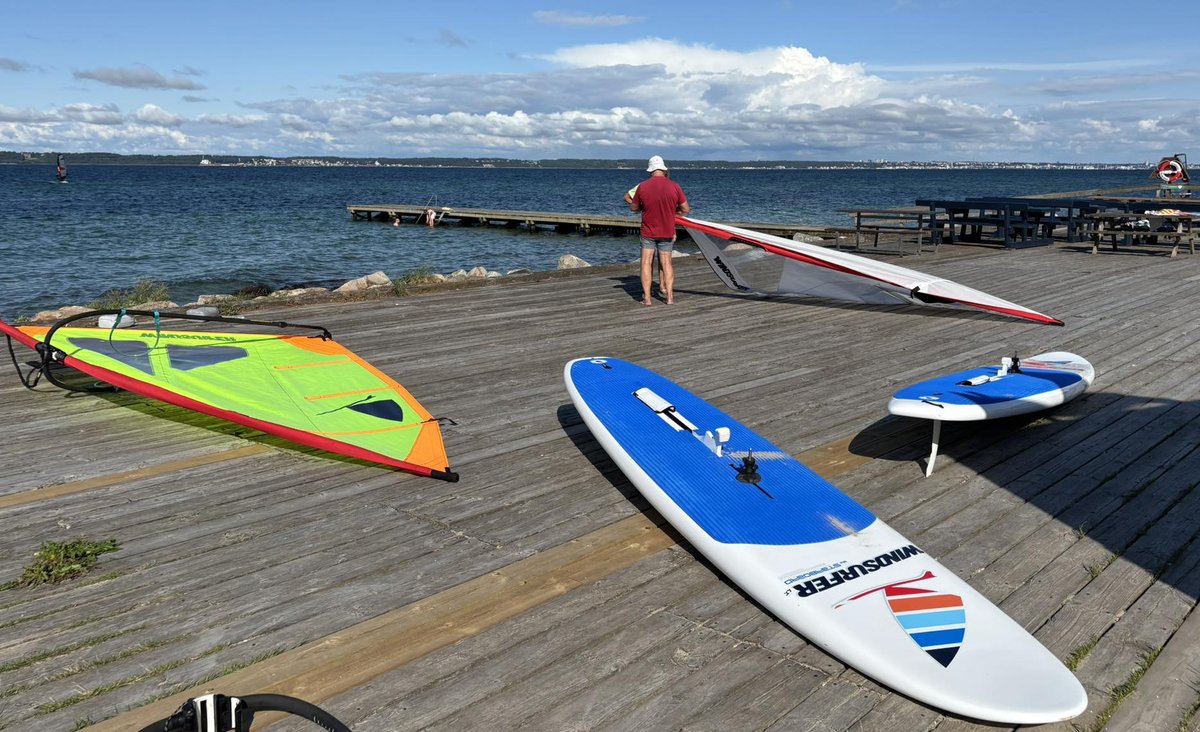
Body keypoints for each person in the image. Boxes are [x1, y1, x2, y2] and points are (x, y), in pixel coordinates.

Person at [629, 155, 689, 305]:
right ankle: (669, 297)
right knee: (667, 262)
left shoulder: (643, 186)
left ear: (651, 170)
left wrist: (643, 207)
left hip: (648, 231)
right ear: (663, 169)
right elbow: (686, 209)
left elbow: (633, 207)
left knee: (645, 263)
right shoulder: (675, 186)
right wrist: (672, 212)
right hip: (667, 231)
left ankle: (647, 299)